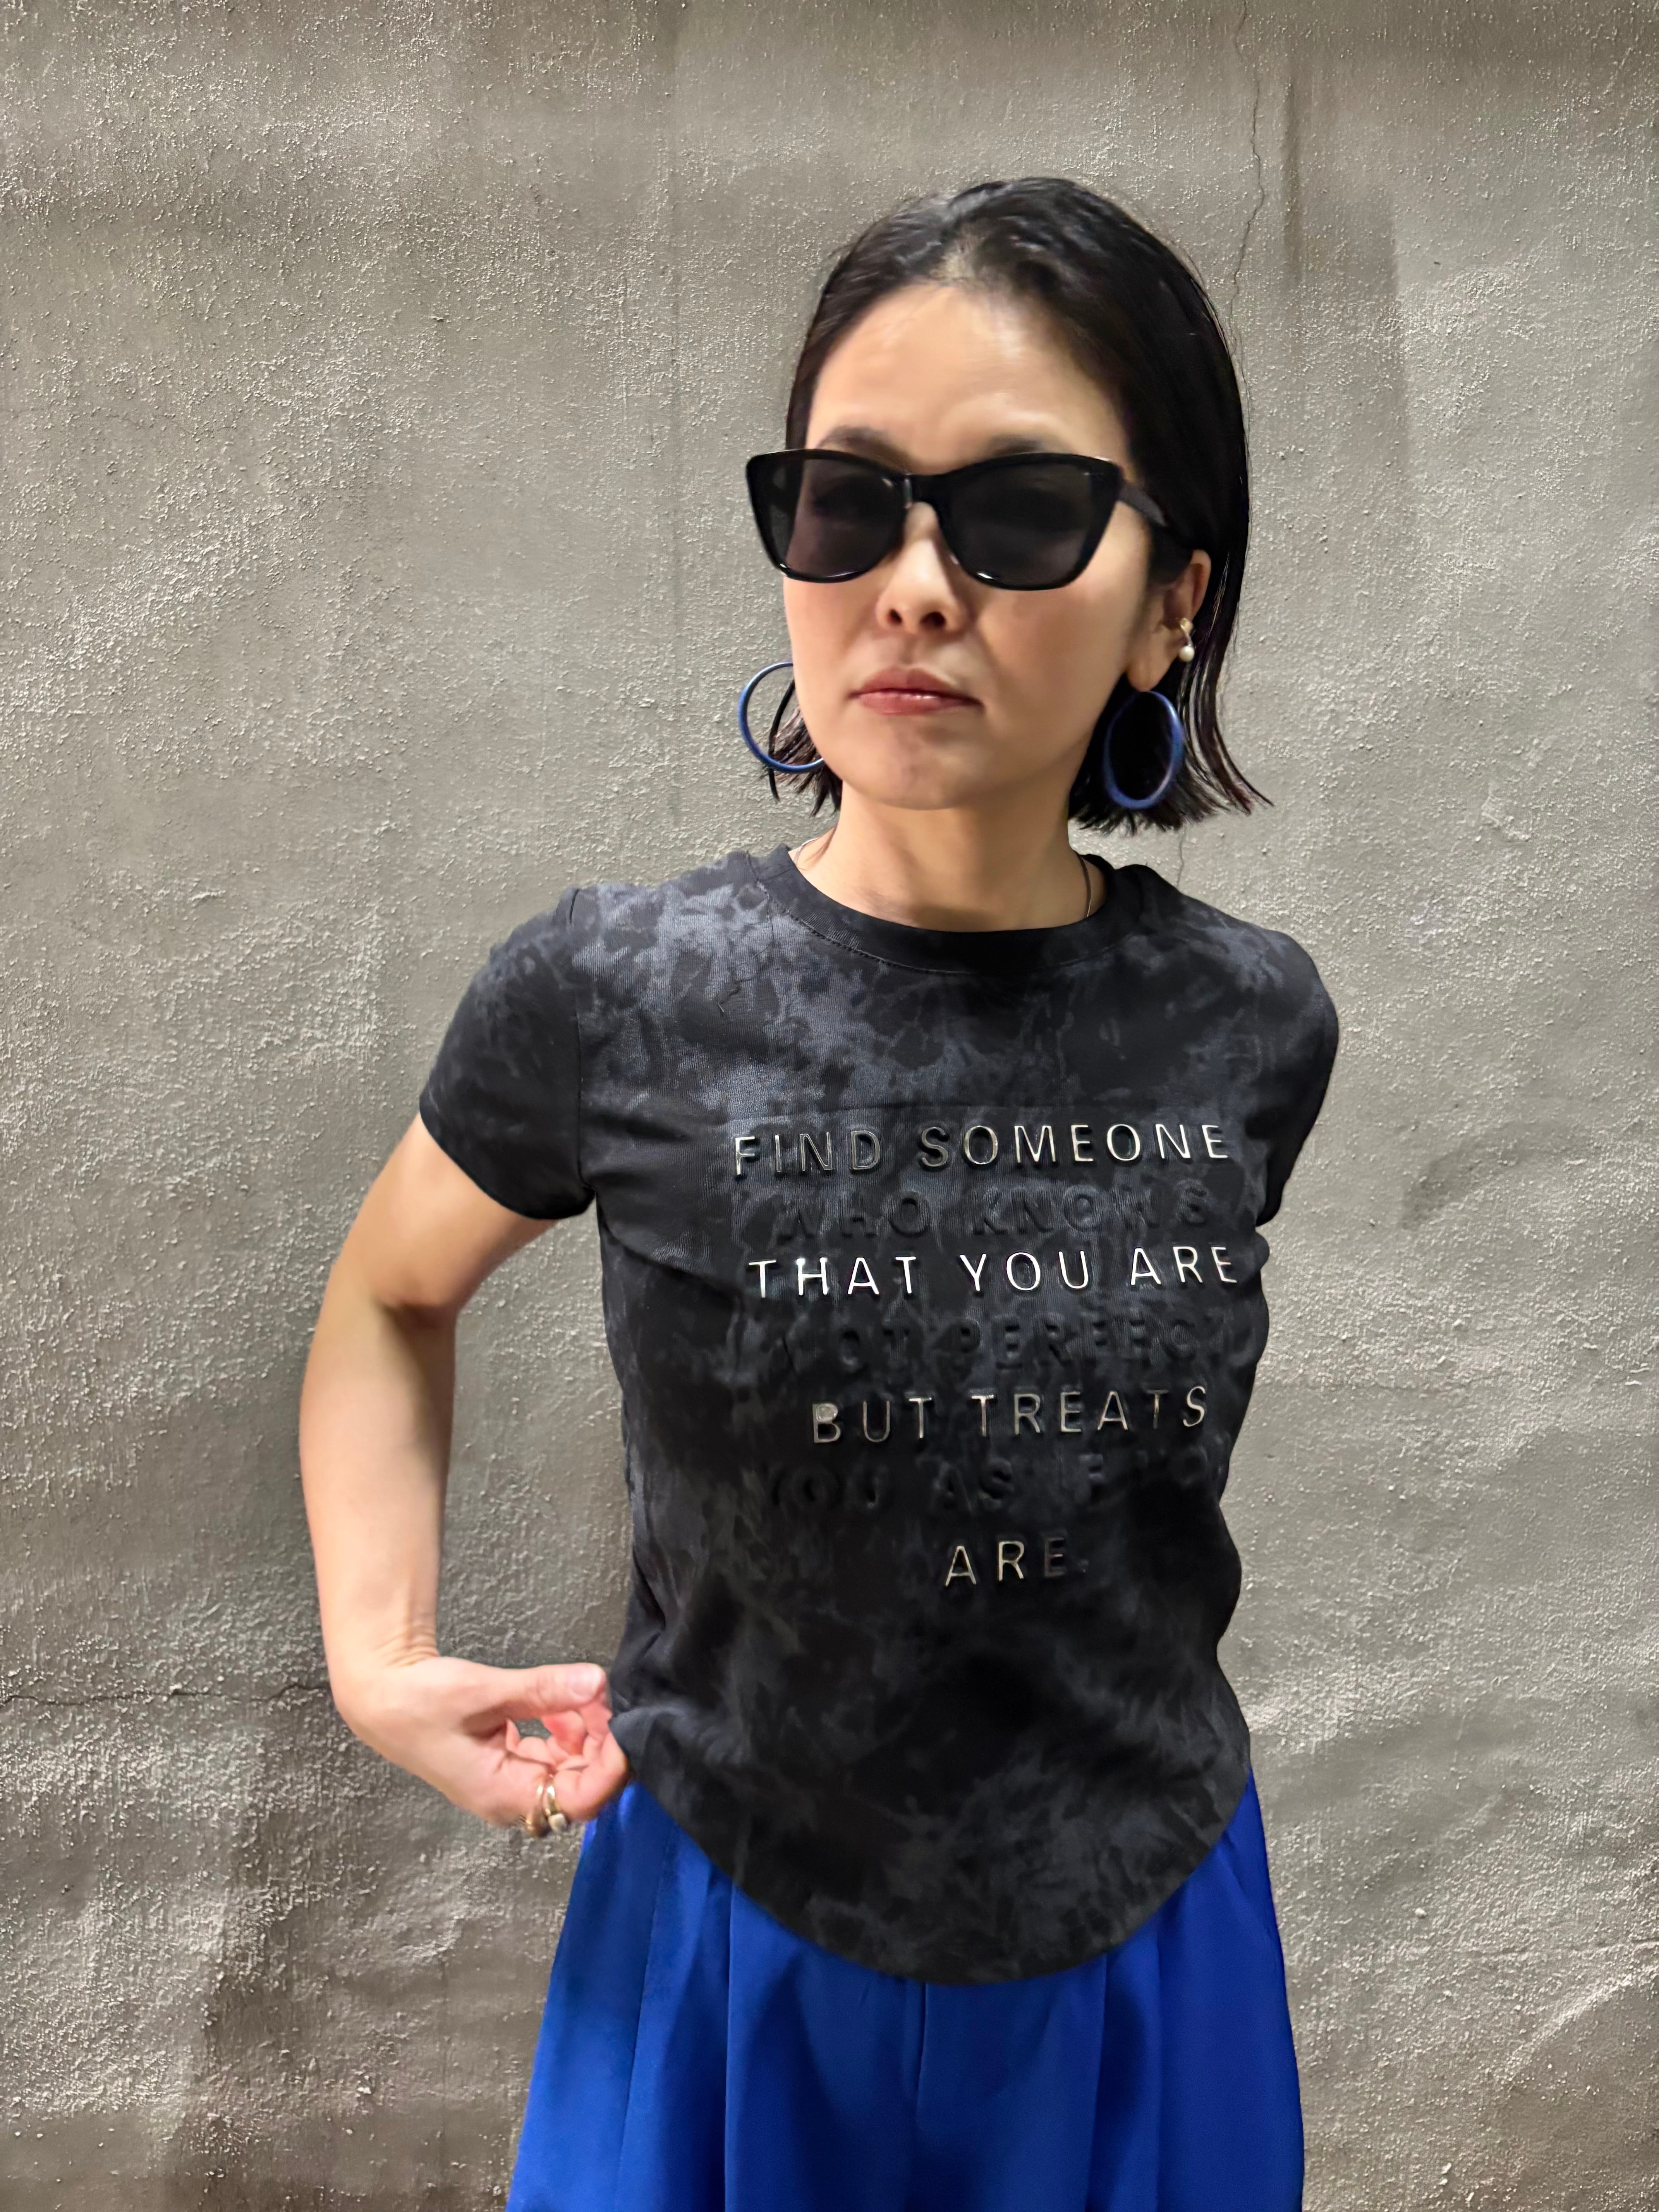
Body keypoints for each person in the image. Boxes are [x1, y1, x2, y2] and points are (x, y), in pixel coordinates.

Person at [299, 175, 1340, 2212]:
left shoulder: (1251, 1023)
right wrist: (380, 1654)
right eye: (850, 504)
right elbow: (388, 1295)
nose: (916, 586)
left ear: (1172, 602)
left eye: (1021, 513)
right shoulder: (616, 995)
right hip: (724, 1953)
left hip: (1145, 1956)